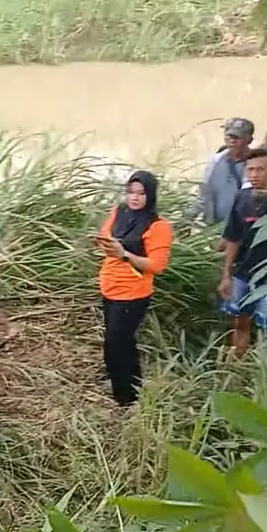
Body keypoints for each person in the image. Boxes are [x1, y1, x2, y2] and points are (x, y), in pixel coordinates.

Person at [94, 171, 173, 407]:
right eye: (131, 192)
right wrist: (103, 244)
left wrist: (125, 254)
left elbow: (157, 265)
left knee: (114, 343)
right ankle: (132, 383)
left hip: (133, 294)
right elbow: (105, 235)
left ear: (151, 195)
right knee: (124, 341)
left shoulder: (158, 226)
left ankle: (124, 399)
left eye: (141, 193)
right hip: (109, 286)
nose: (135, 198)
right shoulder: (118, 213)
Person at [219, 146, 267, 357]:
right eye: (250, 169)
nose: (254, 175)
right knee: (239, 321)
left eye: (260, 169)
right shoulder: (242, 198)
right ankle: (236, 367)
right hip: (243, 273)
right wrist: (226, 275)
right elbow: (233, 239)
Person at [195, 118, 253, 227]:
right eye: (229, 136)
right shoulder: (215, 161)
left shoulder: (255, 163)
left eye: (237, 137)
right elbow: (203, 194)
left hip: (242, 227)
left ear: (249, 139)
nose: (232, 140)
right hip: (214, 227)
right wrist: (187, 219)